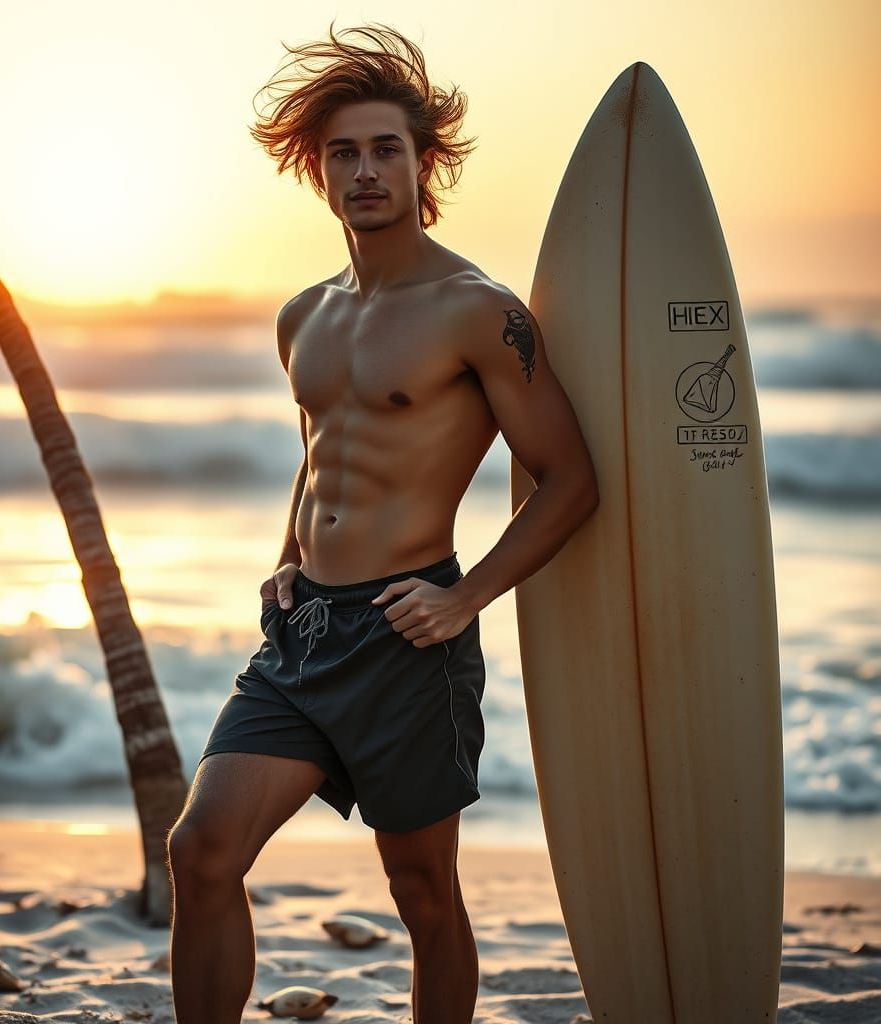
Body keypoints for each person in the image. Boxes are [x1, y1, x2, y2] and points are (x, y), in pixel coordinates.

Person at [166, 21, 598, 1024]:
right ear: (317, 171)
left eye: (385, 150)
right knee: (201, 850)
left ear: (423, 163)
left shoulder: (477, 312)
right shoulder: (303, 316)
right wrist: (285, 557)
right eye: (345, 154)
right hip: (304, 633)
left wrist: (462, 599)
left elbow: (570, 479)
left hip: (410, 636)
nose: (365, 172)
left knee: (422, 896)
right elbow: (319, 454)